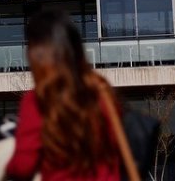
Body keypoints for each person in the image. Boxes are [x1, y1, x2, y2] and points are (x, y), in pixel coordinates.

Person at [6, 10, 120, 181]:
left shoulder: (38, 100)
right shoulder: (102, 90)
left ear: (37, 55)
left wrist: (5, 164)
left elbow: (23, 166)